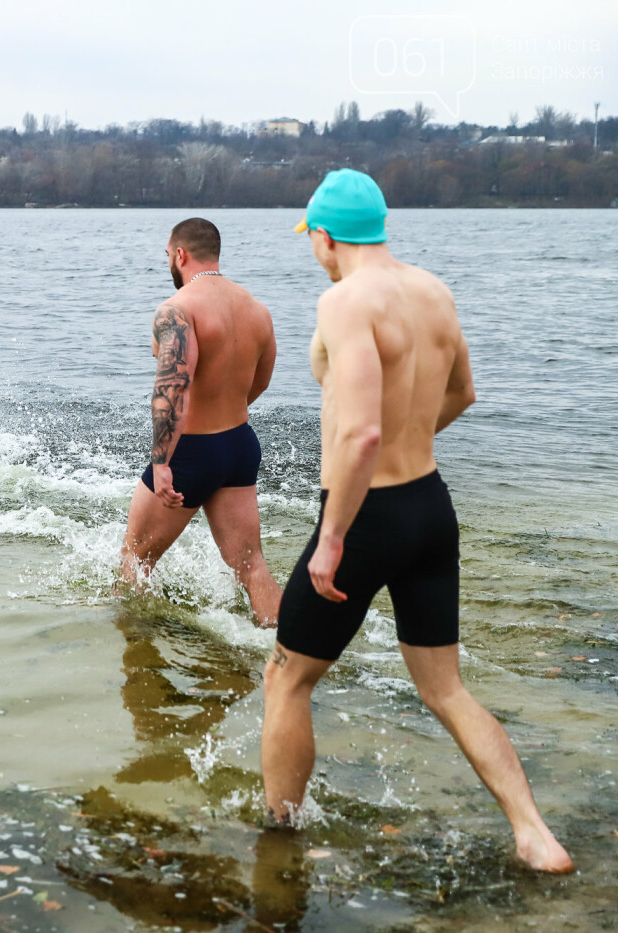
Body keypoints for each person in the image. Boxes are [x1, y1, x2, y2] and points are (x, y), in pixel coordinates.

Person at [261, 169, 572, 872]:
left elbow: (361, 435)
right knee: (445, 688)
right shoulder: (434, 291)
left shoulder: (344, 301)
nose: (312, 248)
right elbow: (463, 390)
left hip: (365, 515)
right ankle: (535, 834)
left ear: (326, 235)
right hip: (430, 507)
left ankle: (278, 840)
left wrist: (333, 536)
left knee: (287, 678)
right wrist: (412, 441)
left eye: (311, 236)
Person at [119, 218, 281, 628]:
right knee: (251, 566)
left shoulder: (177, 309)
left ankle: (139, 651)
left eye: (167, 256)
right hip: (239, 445)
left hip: (190, 451)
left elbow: (173, 386)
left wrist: (161, 463)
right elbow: (260, 381)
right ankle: (286, 652)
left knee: (135, 559)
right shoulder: (256, 310)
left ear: (180, 254)